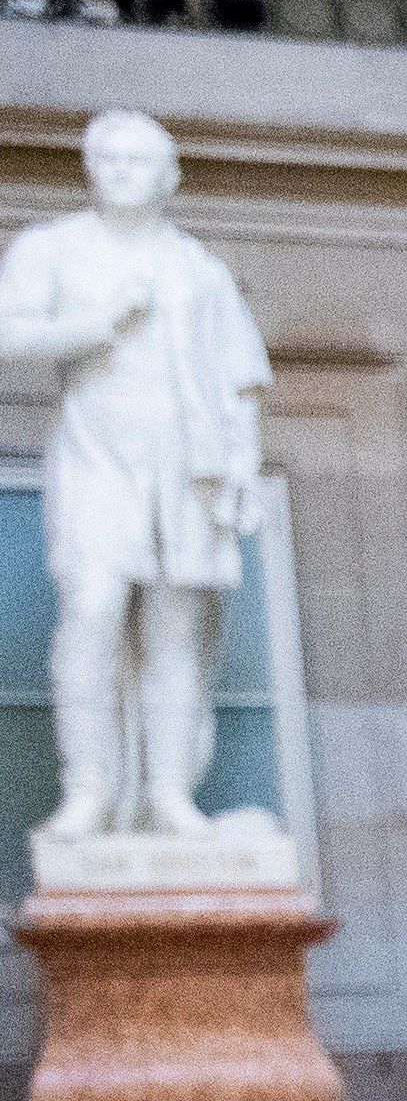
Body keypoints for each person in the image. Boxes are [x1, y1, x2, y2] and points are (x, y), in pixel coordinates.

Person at [0, 109, 267, 842]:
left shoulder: (198, 269)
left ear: (169, 177)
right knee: (93, 608)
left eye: (138, 160)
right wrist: (95, 323)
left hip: (188, 460)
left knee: (173, 628)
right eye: (108, 158)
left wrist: (242, 459)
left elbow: (241, 376)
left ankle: (169, 793)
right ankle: (87, 790)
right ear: (89, 169)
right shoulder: (52, 249)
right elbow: (9, 330)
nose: (120, 171)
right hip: (97, 451)